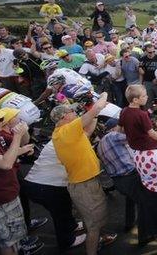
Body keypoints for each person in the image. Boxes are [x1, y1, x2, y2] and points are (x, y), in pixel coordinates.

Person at [50, 93, 117, 255]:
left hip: (84, 183)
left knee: (94, 219)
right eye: (71, 112)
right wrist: (102, 96)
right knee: (93, 225)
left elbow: (87, 132)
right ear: (63, 117)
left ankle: (102, 238)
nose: (75, 113)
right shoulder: (67, 130)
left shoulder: (64, 133)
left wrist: (93, 112)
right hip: (85, 185)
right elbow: (98, 108)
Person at [0, 107, 42, 255]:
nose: (3, 122)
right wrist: (17, 136)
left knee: (13, 239)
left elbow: (5, 154)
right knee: (8, 243)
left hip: (6, 198)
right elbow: (5, 163)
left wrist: (22, 147)